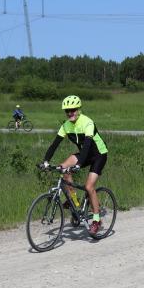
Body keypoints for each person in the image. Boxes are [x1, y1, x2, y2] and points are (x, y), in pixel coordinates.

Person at [41, 95, 109, 236]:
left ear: (78, 110)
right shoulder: (66, 125)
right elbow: (54, 144)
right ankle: (74, 200)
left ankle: (96, 220)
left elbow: (87, 145)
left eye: (73, 110)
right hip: (84, 154)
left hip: (99, 155)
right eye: (67, 111)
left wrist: (78, 164)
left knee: (89, 187)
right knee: (63, 168)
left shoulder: (87, 122)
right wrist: (46, 161)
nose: (70, 113)